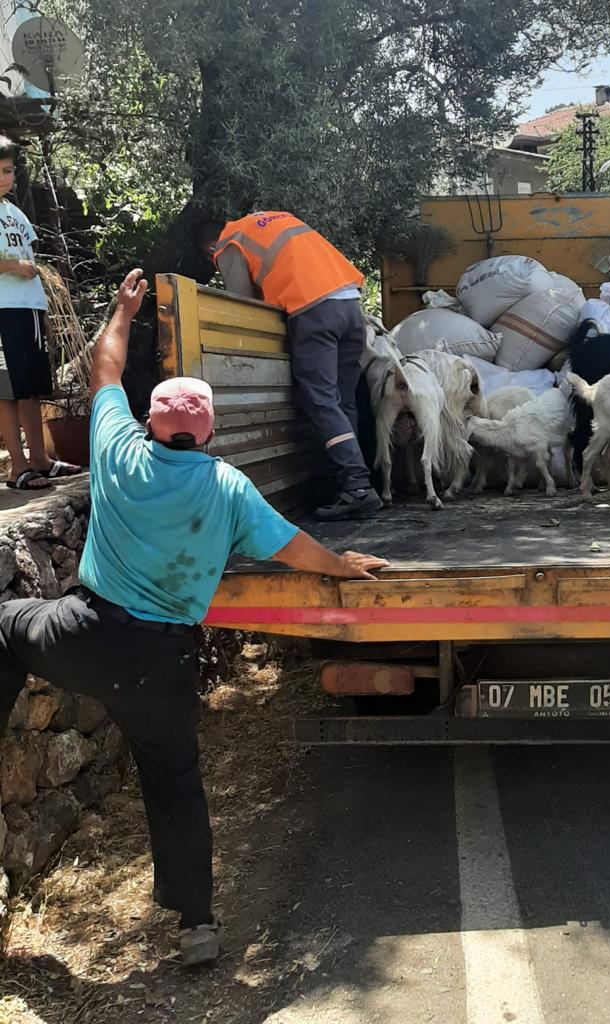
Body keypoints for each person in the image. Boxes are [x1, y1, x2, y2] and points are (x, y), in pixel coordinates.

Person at [0, 269, 388, 966]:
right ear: (209, 432)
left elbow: (106, 367)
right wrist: (343, 564)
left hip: (84, 634)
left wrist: (123, 309)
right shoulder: (228, 487)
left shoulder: (116, 451)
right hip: (161, 662)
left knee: (7, 626)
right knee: (174, 783)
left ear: (151, 421)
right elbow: (293, 549)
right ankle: (197, 926)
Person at [198, 212, 380, 521]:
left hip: (314, 311)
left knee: (320, 399)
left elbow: (242, 303)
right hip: (350, 306)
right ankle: (351, 484)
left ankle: (357, 486)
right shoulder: (270, 221)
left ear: (208, 250)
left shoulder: (229, 242)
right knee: (341, 400)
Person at [0, 135, 82, 490]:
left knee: (30, 390)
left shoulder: (15, 214)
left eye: (8, 171)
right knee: (5, 390)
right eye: (0, 171)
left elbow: (31, 263)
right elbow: (19, 265)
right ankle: (17, 468)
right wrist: (12, 267)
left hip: (29, 311)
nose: (5, 178)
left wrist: (44, 312)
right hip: (2, 310)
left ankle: (40, 459)